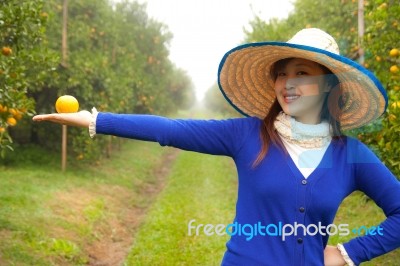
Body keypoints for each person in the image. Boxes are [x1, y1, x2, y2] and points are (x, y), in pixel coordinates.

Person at [33, 28, 400, 265]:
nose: (287, 83)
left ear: (327, 85)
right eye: (282, 73)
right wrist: (96, 120)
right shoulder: (247, 135)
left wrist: (349, 253)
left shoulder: (349, 155)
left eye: (302, 74)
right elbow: (172, 129)